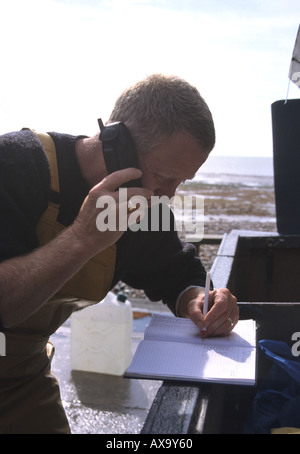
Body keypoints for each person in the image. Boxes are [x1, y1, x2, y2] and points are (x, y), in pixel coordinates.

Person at [0, 74, 238, 434]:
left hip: (22, 376)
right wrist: (83, 238)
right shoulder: (16, 164)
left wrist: (201, 299)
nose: (168, 195)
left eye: (181, 182)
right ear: (117, 143)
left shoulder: (146, 206)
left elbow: (177, 273)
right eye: (163, 175)